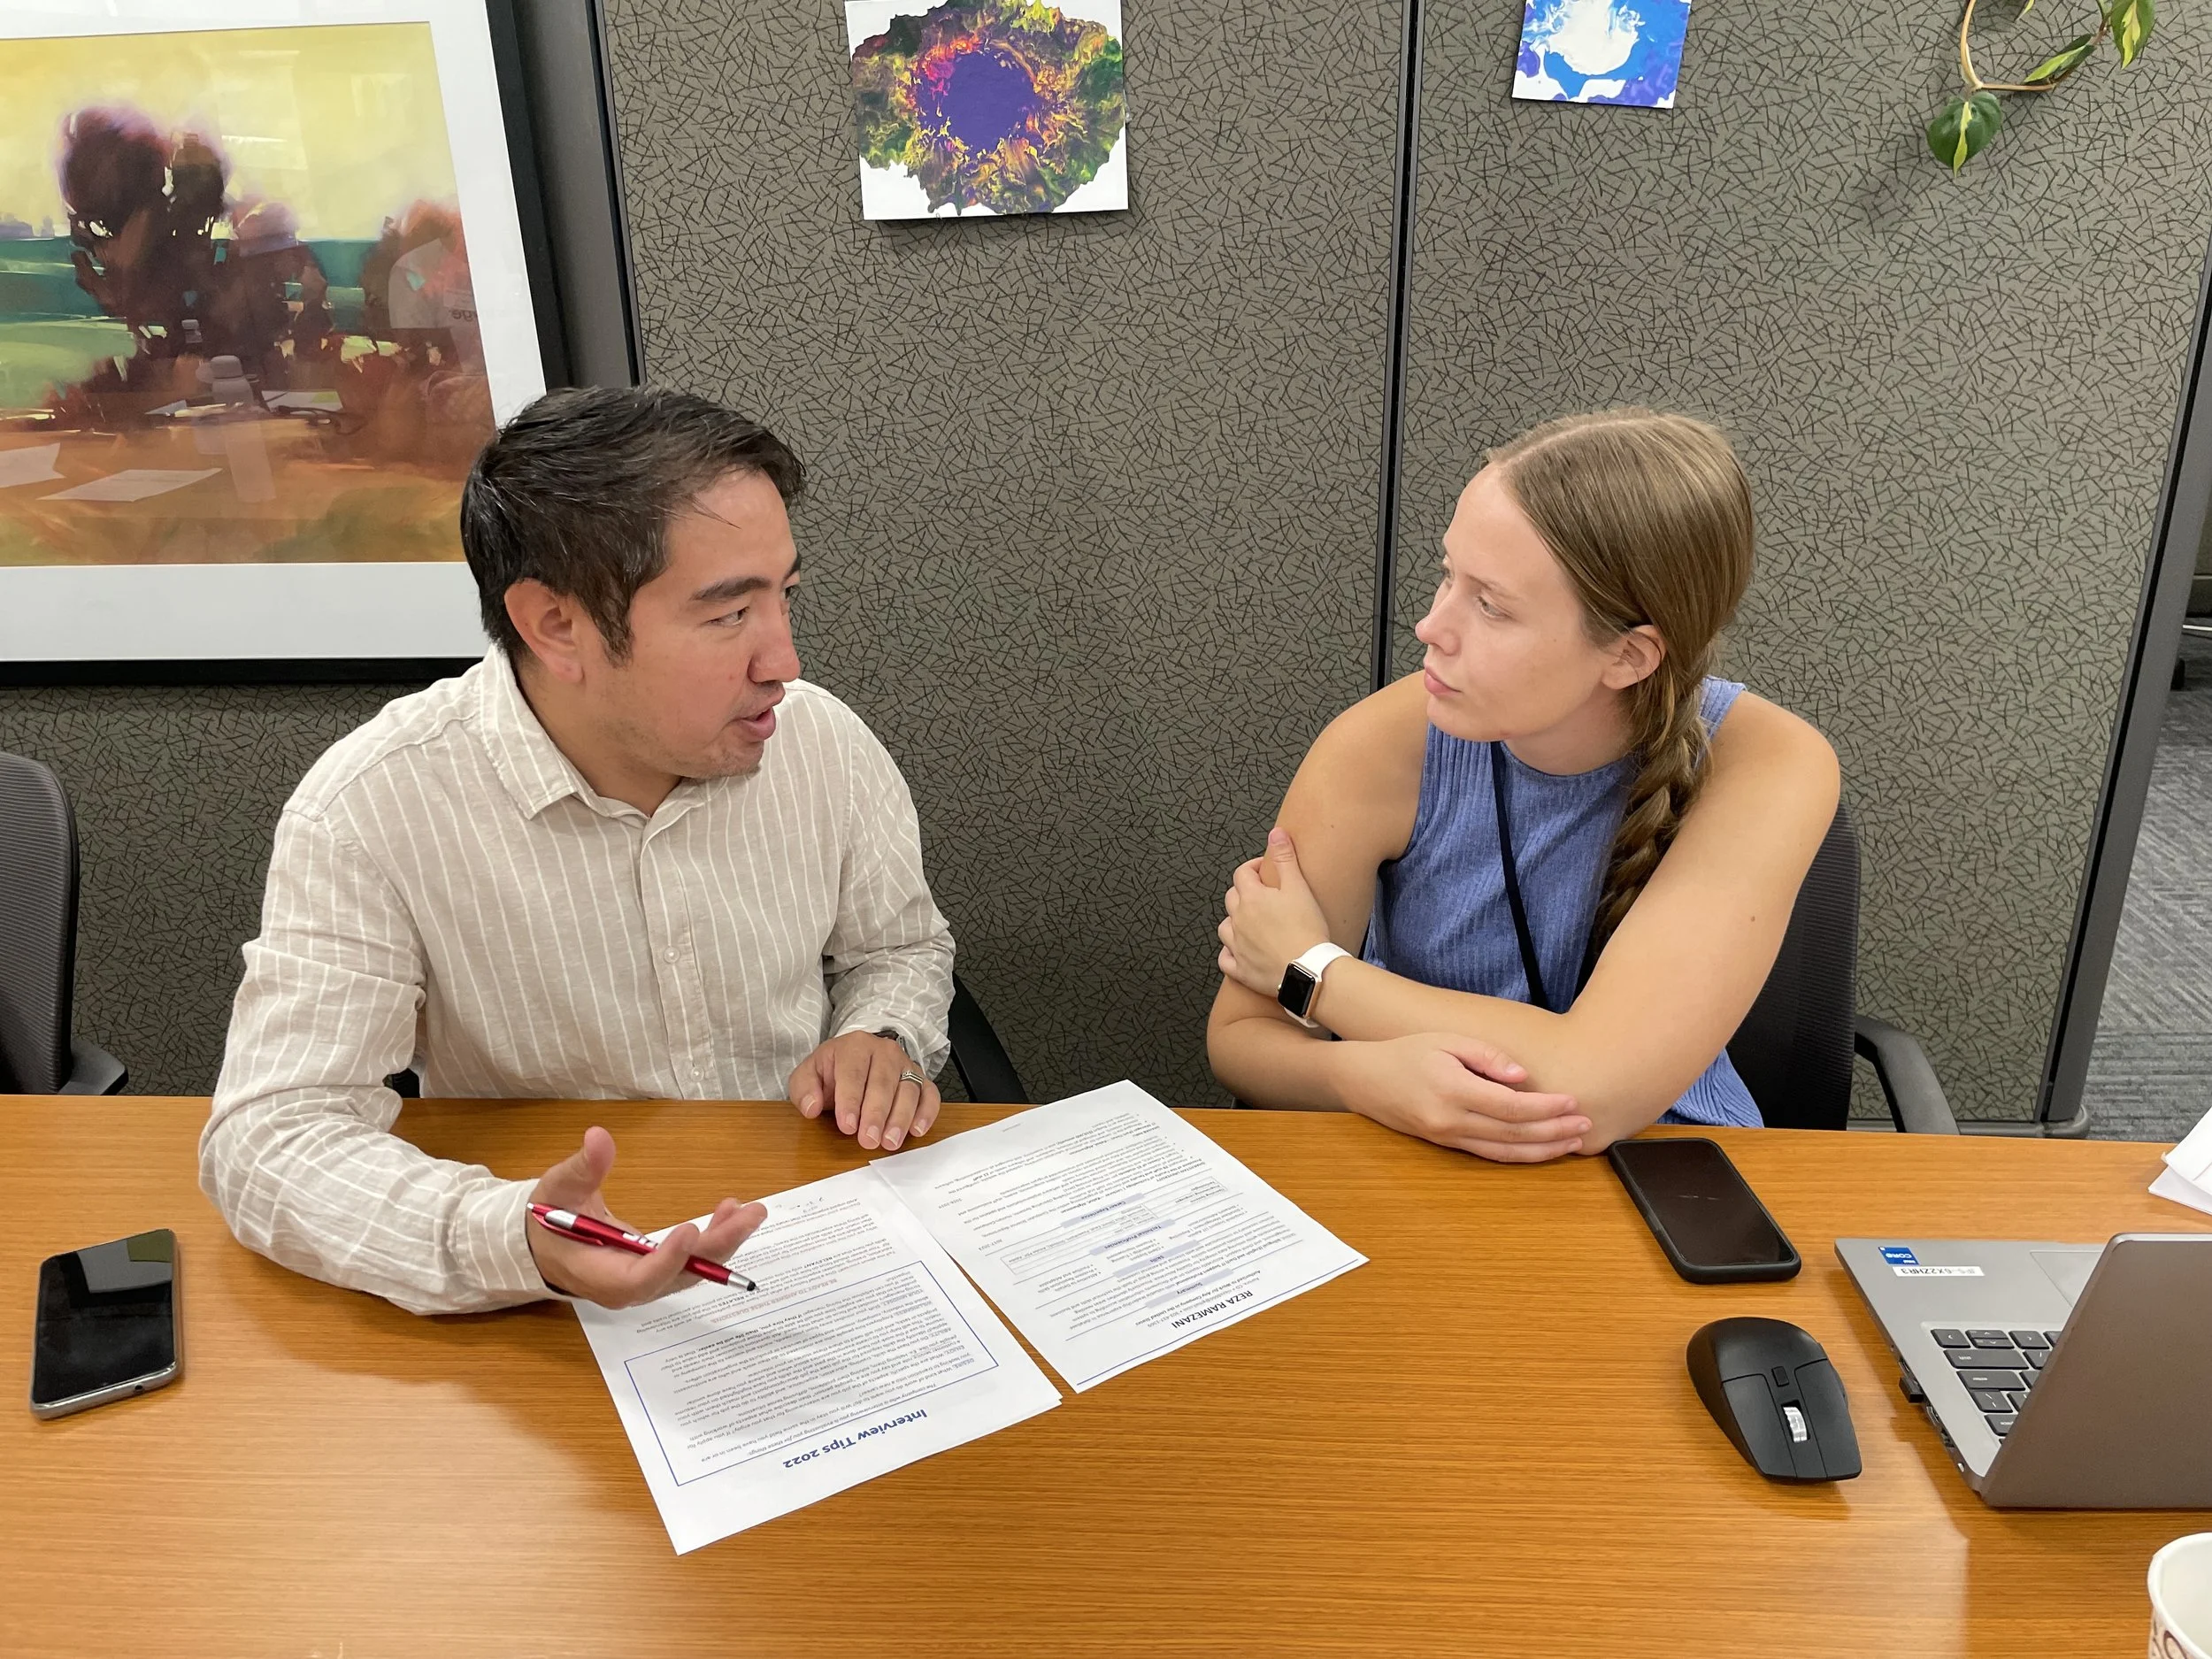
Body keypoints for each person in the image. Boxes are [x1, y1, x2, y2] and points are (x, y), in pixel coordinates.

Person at [203, 387, 956, 1314]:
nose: (784, 662)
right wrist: (512, 1237)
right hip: (549, 1291)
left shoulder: (822, 743)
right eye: (728, 615)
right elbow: (271, 1139)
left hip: (811, 1226)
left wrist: (882, 1035)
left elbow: (899, 949)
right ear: (556, 626)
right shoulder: (373, 807)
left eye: (784, 595)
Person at [1208, 409, 1839, 1160]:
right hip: (1422, 1161)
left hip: (1668, 1166)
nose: (1431, 627)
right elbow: (1242, 1034)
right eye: (1449, 573)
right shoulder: (1380, 744)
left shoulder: (1771, 760)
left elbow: (1592, 1088)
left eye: (1492, 605)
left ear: (1630, 656)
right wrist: (1360, 1076)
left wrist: (1315, 971)